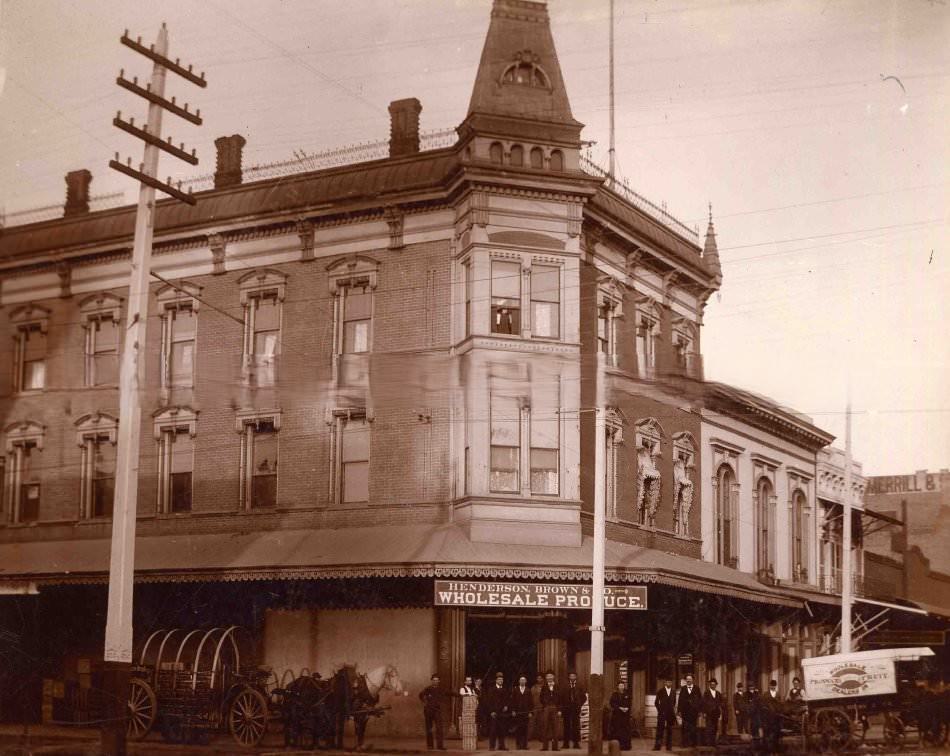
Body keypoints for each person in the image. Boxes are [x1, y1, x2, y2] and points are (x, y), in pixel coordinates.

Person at [483, 671, 510, 751]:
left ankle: (502, 746)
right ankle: (492, 746)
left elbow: (507, 700)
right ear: (496, 680)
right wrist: (491, 711)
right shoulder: (491, 690)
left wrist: (506, 706)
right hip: (494, 713)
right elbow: (488, 702)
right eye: (499, 679)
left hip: (502, 713)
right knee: (493, 730)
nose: (500, 681)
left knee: (502, 729)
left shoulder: (505, 689)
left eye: (502, 679)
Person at [419, 674, 447, 751]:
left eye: (437, 680)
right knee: (429, 728)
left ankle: (440, 746)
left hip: (437, 711)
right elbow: (420, 695)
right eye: (434, 680)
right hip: (428, 711)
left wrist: (461, 695)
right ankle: (430, 745)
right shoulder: (427, 689)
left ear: (439, 681)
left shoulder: (441, 689)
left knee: (439, 728)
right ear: (431, 681)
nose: (435, 682)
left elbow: (450, 693)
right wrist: (424, 701)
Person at [560, 671, 584, 749]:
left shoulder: (580, 685)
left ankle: (576, 743)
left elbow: (584, 697)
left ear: (576, 677)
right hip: (566, 708)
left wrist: (579, 704)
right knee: (566, 726)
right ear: (569, 677)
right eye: (571, 676)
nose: (572, 677)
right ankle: (566, 744)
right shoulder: (565, 685)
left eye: (574, 676)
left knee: (576, 726)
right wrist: (563, 707)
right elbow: (561, 697)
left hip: (575, 709)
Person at [676, 674, 702, 747]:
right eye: (687, 679)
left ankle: (693, 744)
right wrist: (679, 711)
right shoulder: (683, 689)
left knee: (693, 728)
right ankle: (684, 743)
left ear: (693, 680)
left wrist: (700, 711)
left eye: (690, 679)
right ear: (686, 680)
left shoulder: (697, 689)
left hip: (694, 712)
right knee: (685, 728)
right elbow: (680, 700)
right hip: (685, 712)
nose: (688, 680)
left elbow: (700, 700)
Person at [539, 670, 561, 751]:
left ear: (553, 677)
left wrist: (559, 710)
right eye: (548, 676)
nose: (549, 678)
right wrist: (545, 705)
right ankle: (545, 747)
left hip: (555, 708)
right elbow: (541, 698)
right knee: (545, 727)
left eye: (551, 676)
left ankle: (555, 747)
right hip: (547, 708)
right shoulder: (544, 687)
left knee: (555, 728)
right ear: (546, 678)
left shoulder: (557, 686)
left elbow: (560, 699)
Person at [510, 674, 534, 750]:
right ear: (519, 681)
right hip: (517, 713)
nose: (522, 681)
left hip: (526, 713)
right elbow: (512, 701)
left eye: (524, 680)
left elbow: (531, 702)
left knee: (525, 729)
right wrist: (513, 710)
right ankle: (518, 745)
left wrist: (531, 712)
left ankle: (524, 745)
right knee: (518, 729)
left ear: (526, 681)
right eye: (521, 680)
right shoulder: (515, 690)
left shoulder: (528, 690)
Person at [608, 680, 633, 751]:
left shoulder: (627, 694)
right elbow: (612, 703)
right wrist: (619, 708)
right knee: (617, 730)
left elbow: (629, 703)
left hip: (625, 715)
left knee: (626, 730)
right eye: (620, 686)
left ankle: (626, 746)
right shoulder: (614, 694)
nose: (621, 687)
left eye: (623, 685)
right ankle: (618, 746)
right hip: (617, 716)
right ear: (618, 687)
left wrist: (627, 708)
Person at [653, 678, 676, 751]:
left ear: (671, 683)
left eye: (670, 682)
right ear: (665, 683)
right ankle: (657, 746)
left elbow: (674, 702)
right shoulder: (660, 691)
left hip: (670, 714)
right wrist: (660, 710)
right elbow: (656, 703)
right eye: (667, 682)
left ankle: (669, 747)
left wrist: (671, 710)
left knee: (670, 730)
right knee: (660, 730)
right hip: (662, 714)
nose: (669, 683)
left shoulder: (673, 692)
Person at [702, 678, 726, 746]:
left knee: (715, 728)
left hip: (716, 714)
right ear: (709, 685)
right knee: (709, 728)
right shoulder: (706, 693)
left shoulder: (718, 693)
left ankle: (713, 742)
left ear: (716, 685)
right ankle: (708, 742)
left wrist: (720, 709)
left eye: (714, 684)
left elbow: (722, 702)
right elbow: (703, 703)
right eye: (711, 684)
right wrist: (704, 713)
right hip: (709, 714)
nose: (713, 685)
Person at [761, 679, 783, 752]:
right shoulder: (765, 694)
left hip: (776, 717)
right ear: (769, 686)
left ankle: (776, 748)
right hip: (767, 717)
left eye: (774, 686)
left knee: (776, 733)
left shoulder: (778, 694)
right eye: (772, 685)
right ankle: (765, 749)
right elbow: (763, 705)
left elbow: (780, 705)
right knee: (767, 733)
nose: (773, 687)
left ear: (776, 686)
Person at [459, 675, 478, 751]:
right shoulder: (462, 689)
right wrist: (470, 695)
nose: (469, 682)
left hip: (472, 712)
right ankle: (466, 746)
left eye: (470, 680)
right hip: (466, 711)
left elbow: (475, 697)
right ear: (465, 682)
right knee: (466, 729)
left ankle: (472, 745)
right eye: (468, 680)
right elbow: (463, 695)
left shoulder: (472, 689)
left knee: (472, 729)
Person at [530, 674, 545, 744]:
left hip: (542, 707)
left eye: (540, 678)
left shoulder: (545, 687)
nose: (539, 679)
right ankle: (529, 737)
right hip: (534, 707)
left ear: (542, 679)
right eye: (538, 678)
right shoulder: (533, 687)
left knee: (541, 723)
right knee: (532, 722)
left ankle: (541, 737)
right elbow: (531, 697)